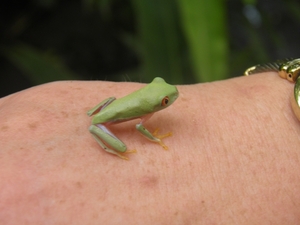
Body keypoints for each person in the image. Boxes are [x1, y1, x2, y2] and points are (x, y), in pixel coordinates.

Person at [0, 72, 299, 224]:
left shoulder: (150, 102)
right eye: (165, 102)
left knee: (99, 118)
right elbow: (141, 126)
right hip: (104, 125)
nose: (167, 100)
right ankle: (114, 149)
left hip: (104, 107)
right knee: (108, 134)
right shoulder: (147, 112)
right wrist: (152, 140)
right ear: (158, 104)